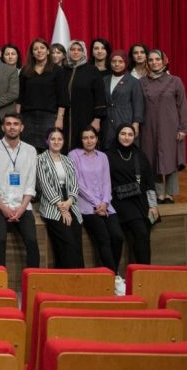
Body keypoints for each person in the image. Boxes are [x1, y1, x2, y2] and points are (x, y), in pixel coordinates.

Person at [70, 126, 126, 294]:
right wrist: (96, 203)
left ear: (96, 139)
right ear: (81, 140)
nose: (89, 140)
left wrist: (105, 202)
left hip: (106, 204)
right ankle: (115, 277)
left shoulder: (103, 157)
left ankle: (111, 273)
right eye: (85, 137)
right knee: (103, 238)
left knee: (117, 236)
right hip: (86, 206)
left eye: (92, 137)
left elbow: (106, 182)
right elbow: (78, 184)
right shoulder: (74, 155)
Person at [0, 114, 40, 268]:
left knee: (32, 241)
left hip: (22, 205)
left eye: (16, 124)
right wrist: (4, 207)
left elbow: (30, 183)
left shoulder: (30, 150)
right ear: (3, 127)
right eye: (8, 124)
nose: (12, 127)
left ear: (21, 128)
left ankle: (32, 282)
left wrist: (21, 208)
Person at [140, 49, 187, 202]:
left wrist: (183, 128)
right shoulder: (142, 82)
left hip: (170, 127)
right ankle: (158, 193)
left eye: (157, 59)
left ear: (164, 61)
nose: (154, 62)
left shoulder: (175, 81)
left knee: (170, 159)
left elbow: (182, 105)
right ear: (147, 63)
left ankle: (170, 193)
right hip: (148, 127)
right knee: (152, 158)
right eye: (151, 60)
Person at [107, 124, 158, 265]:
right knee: (140, 232)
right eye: (123, 134)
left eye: (130, 134)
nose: (126, 137)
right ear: (117, 135)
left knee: (142, 235)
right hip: (118, 201)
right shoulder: (108, 155)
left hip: (139, 200)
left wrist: (153, 205)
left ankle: (144, 274)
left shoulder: (139, 155)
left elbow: (149, 181)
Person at [35, 128, 84, 269]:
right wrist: (62, 208)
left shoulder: (68, 160)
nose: (56, 142)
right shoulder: (40, 159)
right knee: (67, 244)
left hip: (70, 203)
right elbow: (45, 185)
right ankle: (66, 280)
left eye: (59, 139)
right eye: (53, 139)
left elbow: (75, 183)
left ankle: (80, 280)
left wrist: (69, 202)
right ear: (47, 141)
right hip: (53, 206)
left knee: (76, 243)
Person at [17, 39, 67, 151]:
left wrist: (60, 118)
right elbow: (20, 96)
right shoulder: (25, 70)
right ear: (32, 53)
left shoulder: (57, 70)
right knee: (27, 149)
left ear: (48, 51)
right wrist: (17, 117)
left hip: (49, 117)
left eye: (42, 48)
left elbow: (62, 97)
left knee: (48, 148)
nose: (39, 51)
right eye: (35, 49)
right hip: (27, 117)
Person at [61, 41, 107, 151]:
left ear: (84, 52)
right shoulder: (63, 71)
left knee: (84, 145)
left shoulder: (92, 70)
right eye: (72, 50)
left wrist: (97, 119)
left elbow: (100, 96)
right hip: (66, 118)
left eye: (79, 50)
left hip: (86, 116)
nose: (75, 52)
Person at [103, 52, 144, 150]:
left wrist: (136, 123)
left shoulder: (134, 82)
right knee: (109, 149)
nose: (117, 64)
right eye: (114, 61)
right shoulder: (104, 80)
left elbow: (138, 104)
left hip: (125, 119)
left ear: (126, 63)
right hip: (107, 121)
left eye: (120, 61)